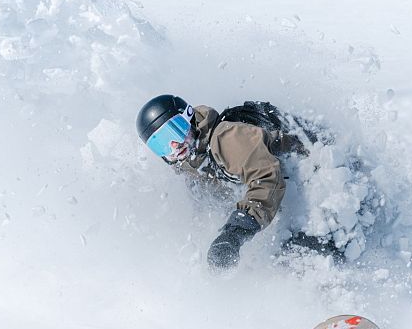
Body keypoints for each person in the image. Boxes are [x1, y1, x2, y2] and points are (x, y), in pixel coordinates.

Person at [136, 93, 362, 270]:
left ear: (189, 118)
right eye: (161, 144)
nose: (174, 146)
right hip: (307, 192)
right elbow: (209, 210)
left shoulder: (226, 138)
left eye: (174, 131)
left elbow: (266, 180)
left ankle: (344, 298)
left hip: (336, 178)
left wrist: (233, 234)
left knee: (302, 252)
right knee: (276, 259)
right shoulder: (196, 170)